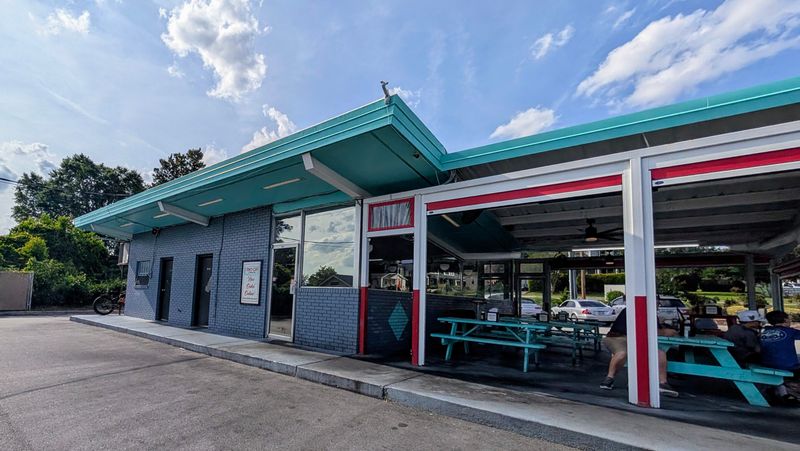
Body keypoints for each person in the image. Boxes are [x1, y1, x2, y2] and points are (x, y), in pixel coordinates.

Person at [600, 308, 678, 397]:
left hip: (637, 340)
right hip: (617, 337)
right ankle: (609, 378)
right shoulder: (632, 309)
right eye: (656, 302)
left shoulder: (651, 313)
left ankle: (663, 383)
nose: (657, 304)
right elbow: (652, 330)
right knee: (622, 353)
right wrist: (666, 331)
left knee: (660, 353)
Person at [759, 310, 800, 405]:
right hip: (787, 365)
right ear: (785, 320)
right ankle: (788, 393)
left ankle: (782, 392)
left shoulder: (765, 331)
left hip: (766, 364)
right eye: (789, 319)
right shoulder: (790, 331)